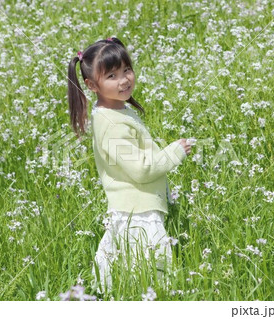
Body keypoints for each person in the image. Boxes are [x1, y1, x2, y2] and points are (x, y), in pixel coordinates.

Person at [67, 36, 193, 295]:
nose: (124, 79)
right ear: (92, 85)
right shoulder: (111, 124)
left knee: (129, 276)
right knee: (154, 281)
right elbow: (141, 169)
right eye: (112, 75)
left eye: (127, 70)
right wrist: (174, 153)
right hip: (138, 213)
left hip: (137, 207)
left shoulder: (118, 111)